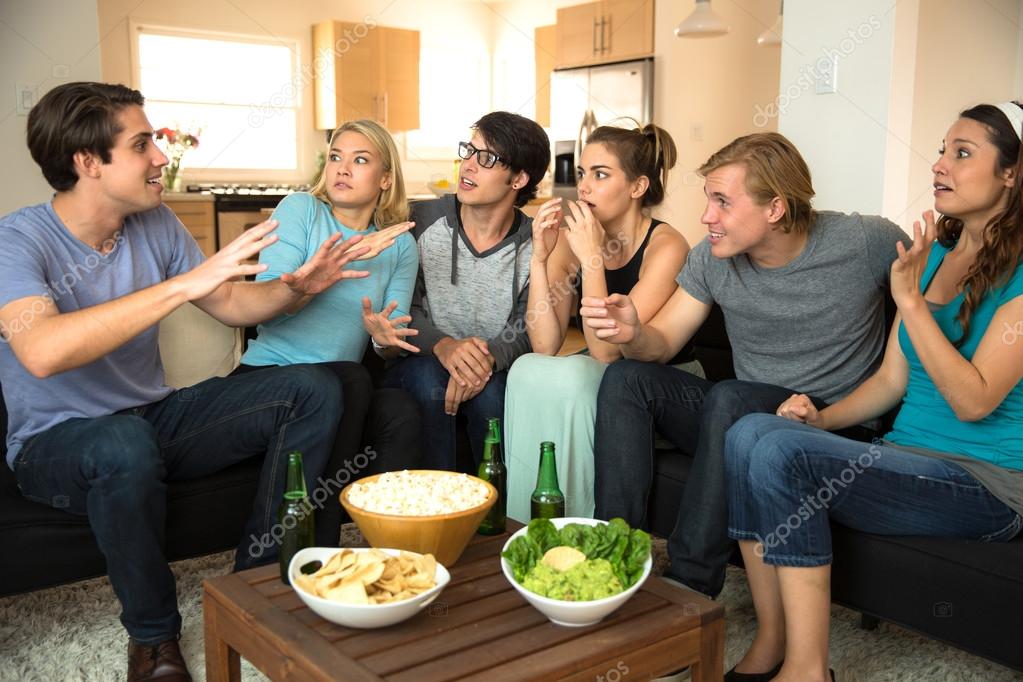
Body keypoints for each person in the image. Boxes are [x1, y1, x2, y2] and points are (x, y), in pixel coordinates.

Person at [0, 82, 365, 681]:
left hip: (151, 418)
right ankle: (153, 638)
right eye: (142, 144)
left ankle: (254, 584)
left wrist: (300, 285)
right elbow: (40, 350)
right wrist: (178, 288)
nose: (161, 158)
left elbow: (228, 303)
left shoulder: (156, 222)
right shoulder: (18, 240)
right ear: (88, 162)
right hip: (56, 443)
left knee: (316, 387)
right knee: (122, 443)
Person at [722, 101, 1023, 682]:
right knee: (750, 432)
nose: (940, 164)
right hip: (905, 457)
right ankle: (772, 639)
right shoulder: (935, 254)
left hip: (985, 485)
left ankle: (809, 671)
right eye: (941, 150)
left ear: (1011, 172)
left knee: (778, 451)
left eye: (963, 153)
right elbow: (892, 379)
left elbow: (974, 400)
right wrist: (818, 422)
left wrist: (909, 301)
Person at [582, 132, 910, 598]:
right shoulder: (713, 259)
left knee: (732, 396)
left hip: (829, 430)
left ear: (774, 208)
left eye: (722, 202)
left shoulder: (864, 241)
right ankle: (611, 562)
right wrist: (634, 333)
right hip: (741, 422)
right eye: (706, 200)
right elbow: (662, 343)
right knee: (628, 376)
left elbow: (938, 290)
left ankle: (689, 587)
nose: (706, 217)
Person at [232, 119, 421, 544]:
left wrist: (381, 339)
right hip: (269, 378)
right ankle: (318, 547)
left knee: (399, 409)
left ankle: (394, 550)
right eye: (336, 156)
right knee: (348, 378)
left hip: (339, 389)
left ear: (385, 179)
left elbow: (389, 342)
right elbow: (269, 311)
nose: (342, 168)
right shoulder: (301, 210)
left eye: (360, 160)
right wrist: (332, 268)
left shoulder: (399, 246)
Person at [504, 123, 697, 521]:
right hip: (604, 367)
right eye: (582, 174)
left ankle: (580, 523)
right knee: (526, 369)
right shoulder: (573, 237)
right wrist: (539, 258)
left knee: (576, 378)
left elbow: (608, 350)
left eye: (600, 174)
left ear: (638, 187)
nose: (584, 188)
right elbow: (544, 344)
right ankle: (528, 523)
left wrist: (591, 259)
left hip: (657, 382)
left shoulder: (667, 245)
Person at [384, 111, 550, 469]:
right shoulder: (420, 220)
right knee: (431, 378)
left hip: (489, 367)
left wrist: (483, 360)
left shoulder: (537, 242)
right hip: (418, 362)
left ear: (519, 178)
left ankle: (495, 516)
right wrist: (444, 347)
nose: (469, 166)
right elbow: (403, 308)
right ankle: (439, 512)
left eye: (486, 158)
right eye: (468, 151)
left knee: (493, 394)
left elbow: (528, 324)